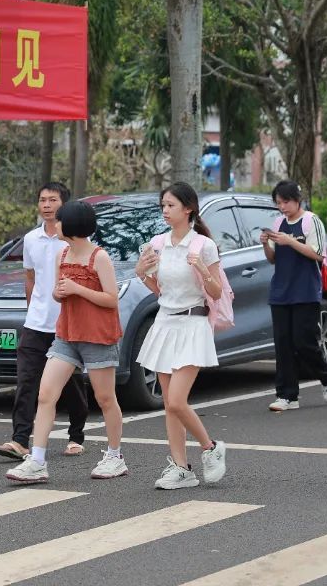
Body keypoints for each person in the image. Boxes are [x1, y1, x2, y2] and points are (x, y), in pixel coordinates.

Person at [6, 200, 127, 484]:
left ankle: (115, 456)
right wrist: (60, 294)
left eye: (59, 220)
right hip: (67, 334)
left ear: (71, 225)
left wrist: (77, 289)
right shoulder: (62, 254)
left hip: (97, 335)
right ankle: (37, 460)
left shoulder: (99, 257)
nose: (54, 224)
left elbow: (111, 300)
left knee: (105, 398)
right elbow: (58, 293)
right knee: (46, 394)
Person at [134, 182, 227, 489]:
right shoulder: (157, 244)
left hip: (193, 323)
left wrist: (203, 269)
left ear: (188, 209)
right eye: (163, 205)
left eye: (171, 205)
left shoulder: (203, 245)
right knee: (169, 404)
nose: (165, 210)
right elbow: (160, 290)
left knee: (176, 401)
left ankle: (211, 448)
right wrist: (141, 272)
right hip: (165, 322)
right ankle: (181, 468)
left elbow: (216, 292)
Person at [0, 183, 88, 461]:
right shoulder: (31, 239)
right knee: (26, 381)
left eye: (53, 200)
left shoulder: (73, 240)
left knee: (71, 383)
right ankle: (20, 440)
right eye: (42, 200)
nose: (46, 205)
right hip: (35, 323)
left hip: (66, 323)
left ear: (64, 204)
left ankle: (76, 435)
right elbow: (30, 278)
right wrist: (32, 311)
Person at [261, 180, 327, 411]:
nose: (282, 207)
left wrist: (290, 241)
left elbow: (318, 254)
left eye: (286, 202)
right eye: (278, 203)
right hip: (280, 291)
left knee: (304, 341)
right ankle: (287, 395)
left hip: (305, 290)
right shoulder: (278, 223)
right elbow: (273, 259)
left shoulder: (310, 221)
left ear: (297, 200)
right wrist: (266, 245)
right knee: (283, 344)